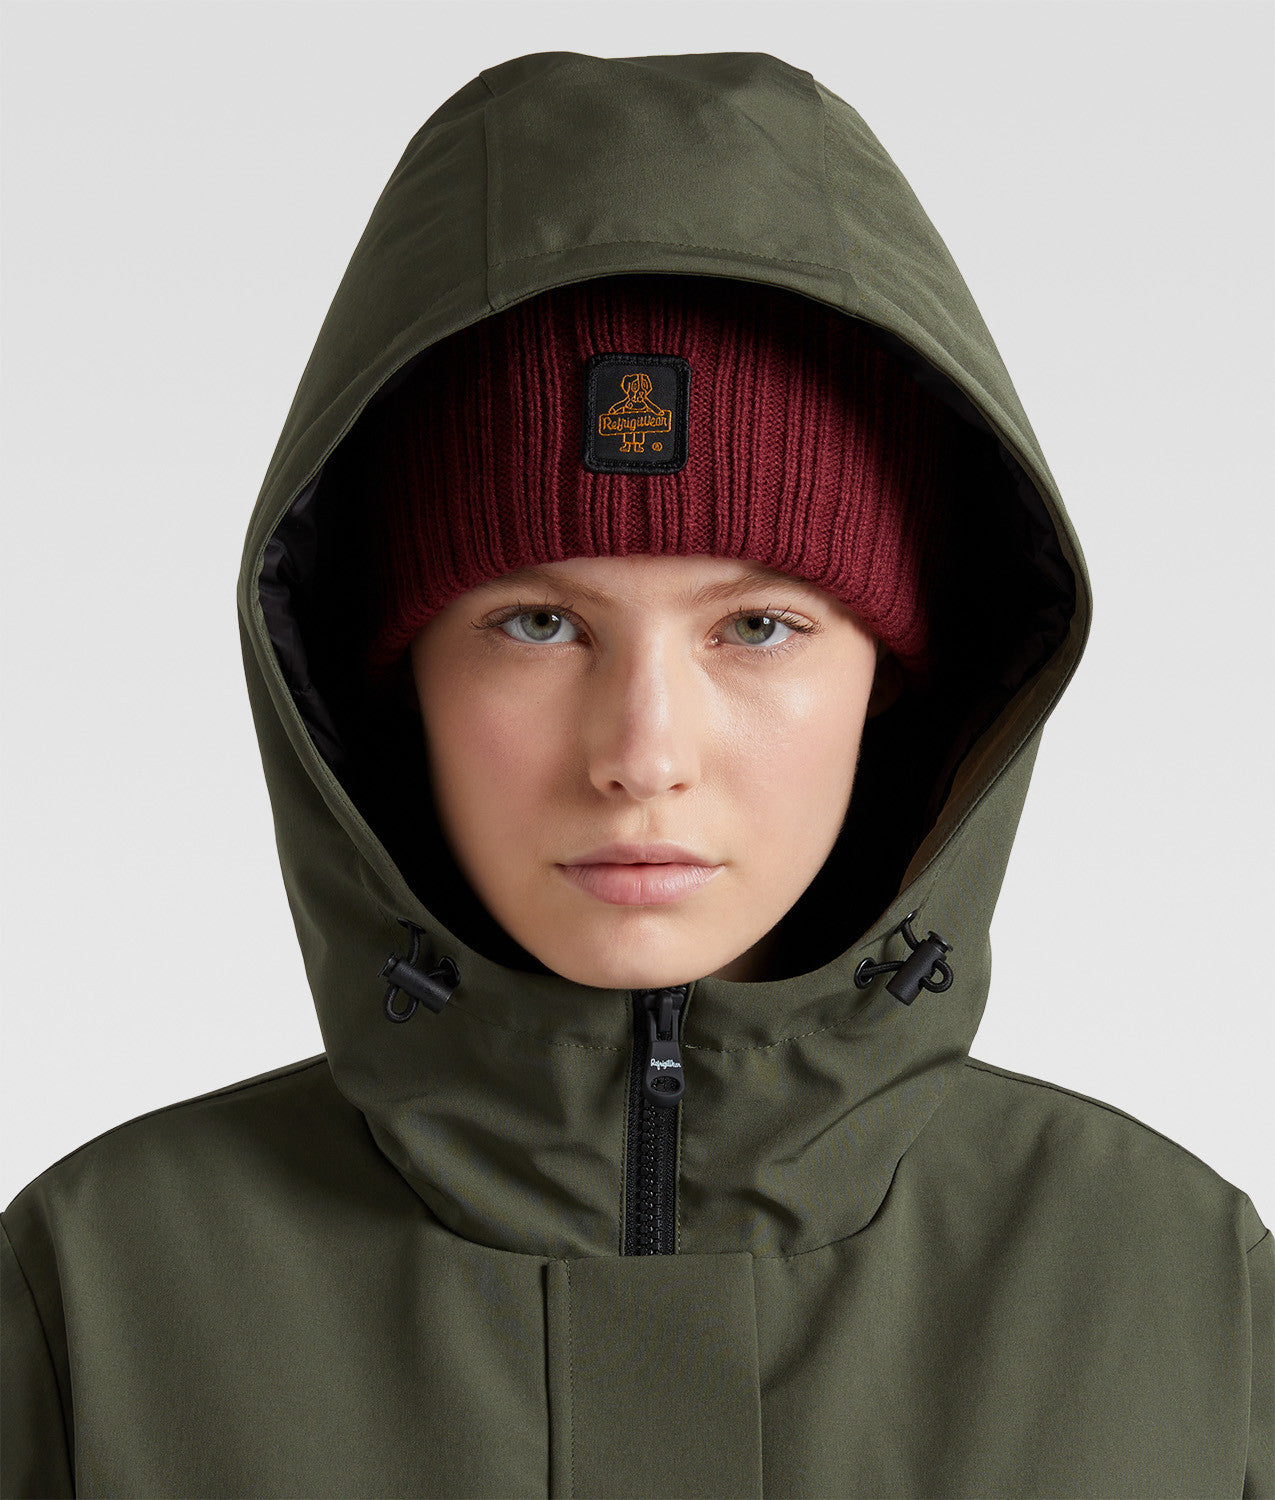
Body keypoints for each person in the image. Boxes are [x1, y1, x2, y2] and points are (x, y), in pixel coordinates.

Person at [1, 47, 1269, 1500]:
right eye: (538, 624)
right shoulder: (100, 1303)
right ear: (387, 675)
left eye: (758, 626)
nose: (643, 754)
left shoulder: (1182, 1296)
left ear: (900, 677)